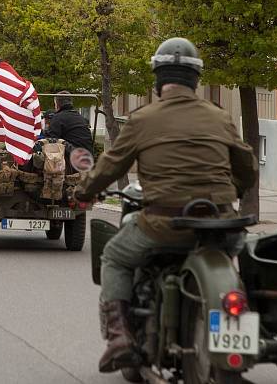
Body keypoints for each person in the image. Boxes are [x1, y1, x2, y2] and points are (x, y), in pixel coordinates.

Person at [73, 37, 258, 373]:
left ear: (158, 80)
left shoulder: (143, 119)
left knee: (113, 256)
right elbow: (247, 166)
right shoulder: (220, 117)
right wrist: (238, 190)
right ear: (195, 80)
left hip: (164, 227)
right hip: (219, 227)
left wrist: (83, 192)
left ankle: (119, 339)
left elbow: (108, 167)